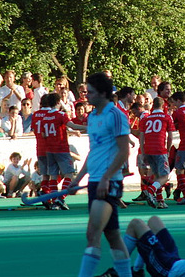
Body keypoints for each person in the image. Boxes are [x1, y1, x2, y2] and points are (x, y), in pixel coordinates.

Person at [68, 71, 132, 277]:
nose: (87, 96)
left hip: (109, 183)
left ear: (103, 93)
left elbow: (124, 151)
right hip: (96, 182)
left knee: (92, 233)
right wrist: (77, 179)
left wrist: (106, 178)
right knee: (112, 235)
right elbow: (94, 152)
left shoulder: (116, 115)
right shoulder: (93, 117)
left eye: (91, 92)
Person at [139, 97, 176, 209]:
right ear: (162, 105)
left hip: (148, 149)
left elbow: (141, 136)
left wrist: (143, 151)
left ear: (152, 105)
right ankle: (150, 190)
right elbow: (170, 136)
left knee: (157, 176)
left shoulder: (146, 118)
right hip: (159, 149)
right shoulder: (166, 117)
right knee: (165, 176)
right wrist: (168, 149)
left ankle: (160, 201)